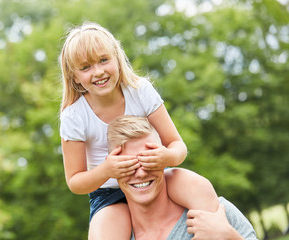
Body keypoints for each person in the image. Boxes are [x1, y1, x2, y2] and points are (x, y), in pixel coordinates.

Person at [59, 21, 218, 239]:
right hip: (109, 195)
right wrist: (108, 170)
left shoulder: (139, 91)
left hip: (154, 177)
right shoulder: (74, 116)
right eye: (85, 67)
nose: (98, 72)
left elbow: (178, 146)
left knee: (197, 186)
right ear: (74, 76)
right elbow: (75, 182)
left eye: (104, 60)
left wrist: (166, 156)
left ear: (117, 58)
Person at [107, 115, 258, 240]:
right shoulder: (115, 234)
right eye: (128, 165)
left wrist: (230, 237)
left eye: (149, 161)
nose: (140, 173)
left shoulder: (214, 216)